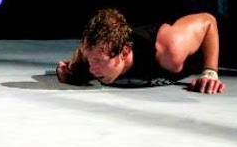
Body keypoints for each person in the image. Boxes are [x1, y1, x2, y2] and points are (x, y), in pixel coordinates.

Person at [56, 7, 225, 94]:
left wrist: (210, 72)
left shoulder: (168, 50)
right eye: (90, 59)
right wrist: (66, 72)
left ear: (124, 53)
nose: (92, 69)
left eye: (99, 61)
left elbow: (208, 21)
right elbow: (75, 62)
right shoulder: (92, 55)